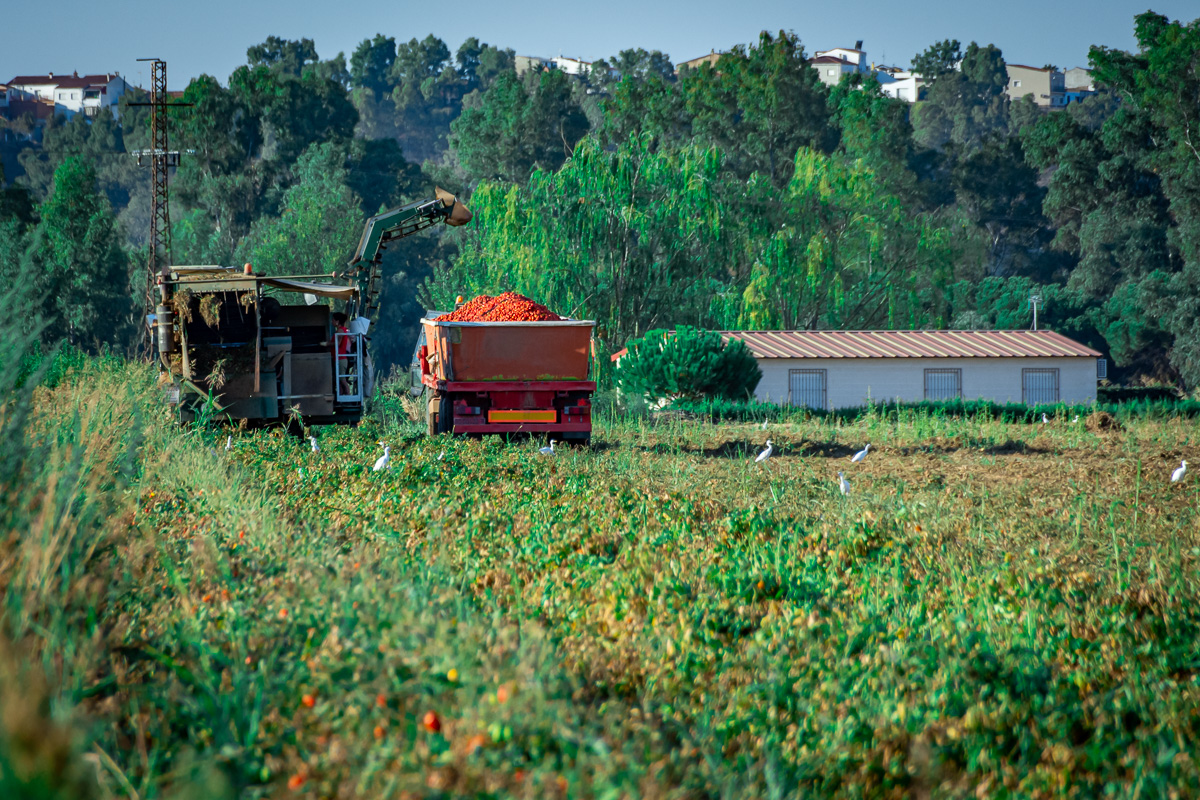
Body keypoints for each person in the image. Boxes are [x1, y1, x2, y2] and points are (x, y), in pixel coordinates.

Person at [333, 312, 354, 395]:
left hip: (341, 358)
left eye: (333, 320)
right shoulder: (343, 330)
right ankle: (341, 395)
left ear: (337, 321)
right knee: (340, 379)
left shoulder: (340, 330)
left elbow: (338, 343)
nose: (332, 321)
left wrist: (327, 344)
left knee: (342, 379)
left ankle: (348, 395)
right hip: (340, 358)